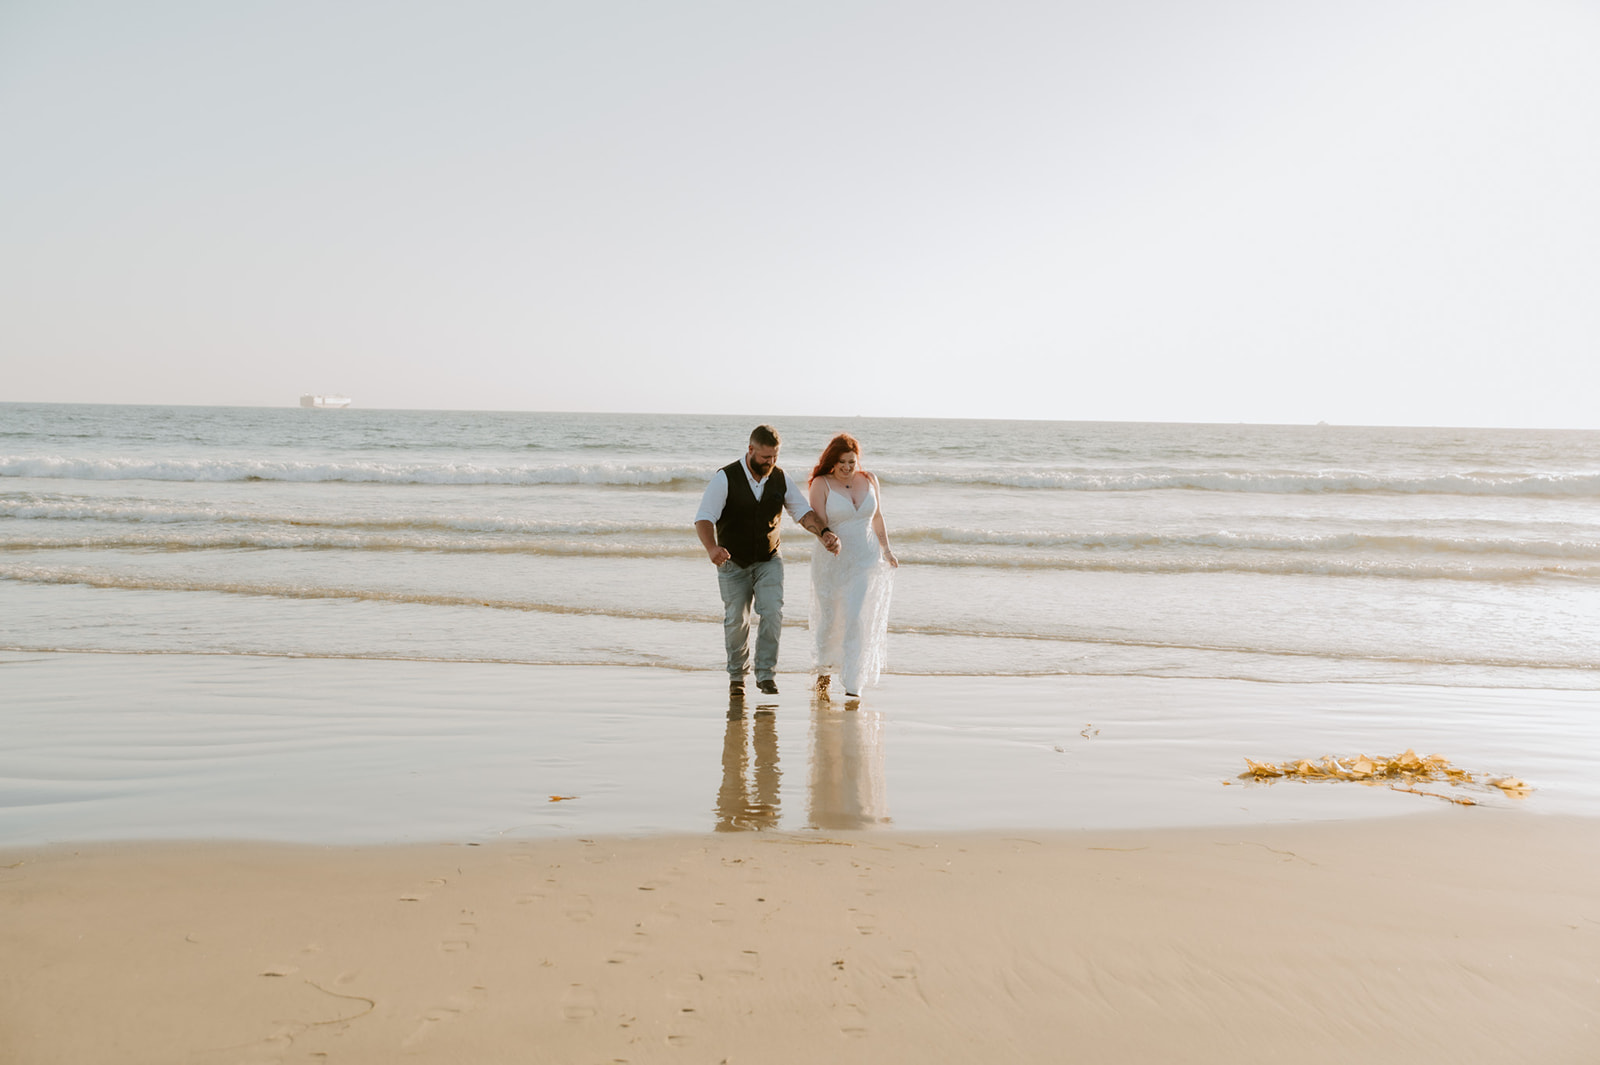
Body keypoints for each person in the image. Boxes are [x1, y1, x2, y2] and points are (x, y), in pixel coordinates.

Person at [695, 425, 838, 695]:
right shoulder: (725, 478)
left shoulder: (780, 478)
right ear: (750, 450)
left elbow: (803, 513)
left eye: (775, 457)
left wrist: (824, 533)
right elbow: (703, 517)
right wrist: (712, 548)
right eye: (765, 458)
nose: (770, 462)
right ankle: (737, 677)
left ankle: (765, 675)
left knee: (772, 613)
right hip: (732, 561)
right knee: (736, 620)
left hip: (769, 558)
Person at [807, 433, 898, 699]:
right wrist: (828, 538)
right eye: (842, 462)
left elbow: (878, 517)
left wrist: (887, 550)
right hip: (833, 560)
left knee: (856, 616)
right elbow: (819, 524)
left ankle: (852, 683)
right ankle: (824, 673)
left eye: (852, 462)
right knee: (831, 618)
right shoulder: (821, 484)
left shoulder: (869, 480)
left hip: (866, 558)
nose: (848, 467)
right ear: (831, 462)